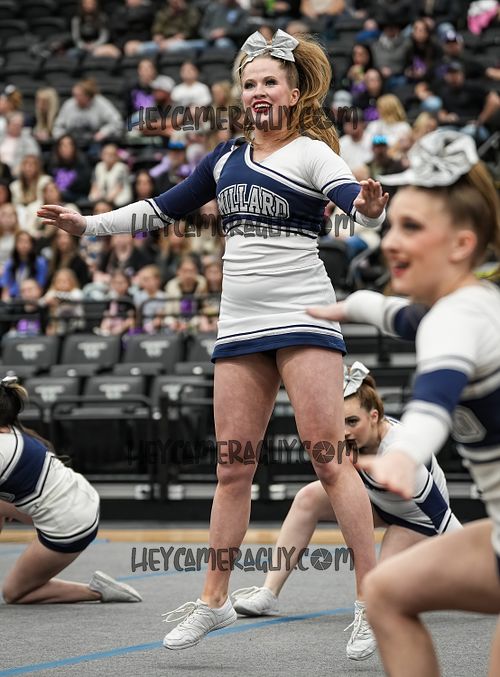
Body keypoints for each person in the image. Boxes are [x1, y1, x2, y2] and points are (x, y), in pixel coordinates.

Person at [38, 29, 388, 652]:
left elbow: (354, 203)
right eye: (249, 83)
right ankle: (214, 601)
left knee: (328, 459)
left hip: (304, 317)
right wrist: (87, 224)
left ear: (295, 92)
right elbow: (159, 209)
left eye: (269, 81)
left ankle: (372, 599)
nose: (258, 91)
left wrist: (370, 206)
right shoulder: (225, 159)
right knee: (232, 468)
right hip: (240, 323)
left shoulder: (312, 153)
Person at [307, 129, 500, 676]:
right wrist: (346, 307)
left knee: (387, 592)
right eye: (391, 225)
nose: (390, 241)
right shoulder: (470, 302)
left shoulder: (456, 321)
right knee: (386, 590)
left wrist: (406, 453)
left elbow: (434, 399)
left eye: (411, 228)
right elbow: (397, 315)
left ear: (461, 244)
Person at [231, 362, 461, 661]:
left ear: (374, 416)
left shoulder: (402, 453)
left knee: (378, 589)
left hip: (416, 521)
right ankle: (268, 592)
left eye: (352, 421)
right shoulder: (347, 441)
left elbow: (442, 518)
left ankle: (372, 618)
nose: (345, 431)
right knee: (307, 498)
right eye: (339, 422)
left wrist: (485, 564)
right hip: (379, 503)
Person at [0, 376, 142, 604]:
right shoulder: (11, 429)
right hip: (77, 497)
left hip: (69, 525)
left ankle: (96, 591)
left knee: (14, 593)